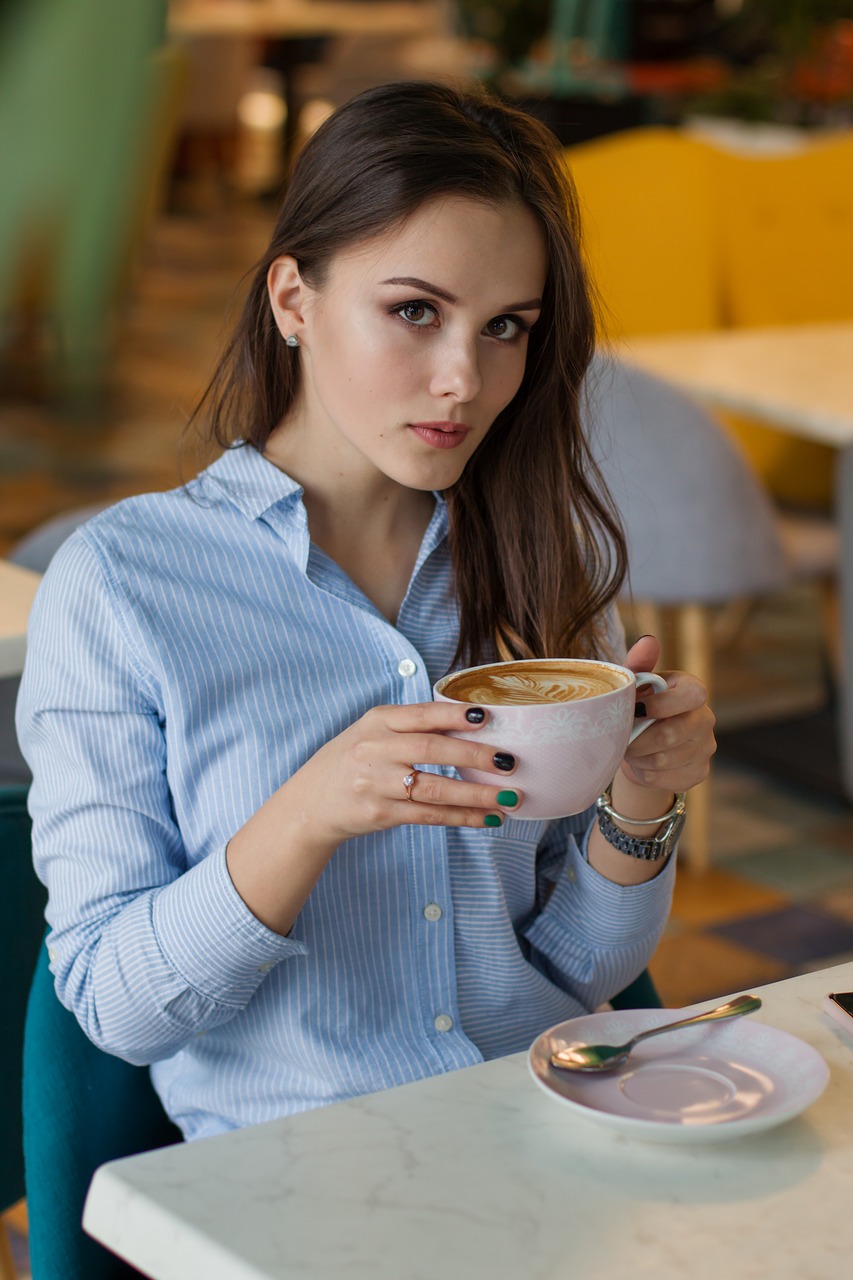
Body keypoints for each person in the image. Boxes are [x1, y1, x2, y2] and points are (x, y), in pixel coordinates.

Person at [17, 80, 715, 1141]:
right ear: (293, 300)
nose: (462, 380)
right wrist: (311, 810)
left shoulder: (543, 558)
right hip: (291, 1187)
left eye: (505, 328)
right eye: (414, 310)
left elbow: (579, 971)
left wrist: (637, 800)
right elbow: (117, 1007)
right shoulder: (122, 586)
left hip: (538, 1135)